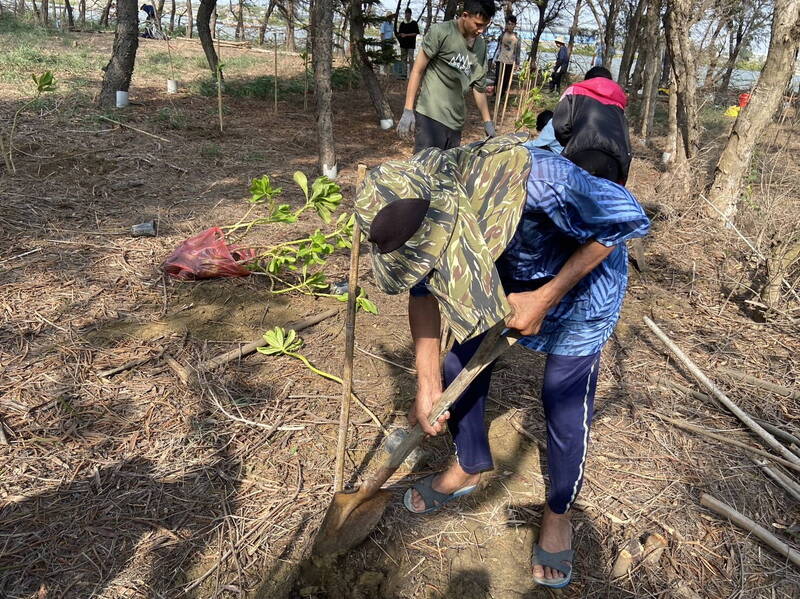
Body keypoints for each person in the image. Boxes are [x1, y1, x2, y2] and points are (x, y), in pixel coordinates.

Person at [355, 134, 650, 589]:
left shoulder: (544, 181)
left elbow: (623, 219)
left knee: (563, 401)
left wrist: (545, 297)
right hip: (500, 281)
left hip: (582, 287)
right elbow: (423, 294)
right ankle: (470, 463)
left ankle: (558, 514)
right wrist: (427, 384)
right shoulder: (417, 194)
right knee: (456, 369)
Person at [396, 0, 497, 152]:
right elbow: (417, 70)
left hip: (456, 123)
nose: (481, 30)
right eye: (478, 24)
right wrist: (408, 110)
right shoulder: (441, 32)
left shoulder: (480, 46)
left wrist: (487, 122)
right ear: (465, 15)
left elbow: (479, 87)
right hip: (430, 116)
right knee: (424, 172)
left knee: (445, 173)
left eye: (485, 25)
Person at [553, 66, 632, 185]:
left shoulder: (573, 91)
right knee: (601, 202)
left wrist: (570, 142)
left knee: (573, 200)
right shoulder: (619, 103)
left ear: (587, 79)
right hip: (613, 163)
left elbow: (560, 126)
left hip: (581, 156)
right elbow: (626, 143)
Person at [490, 15, 521, 98]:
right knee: (497, 79)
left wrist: (517, 64)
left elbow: (518, 52)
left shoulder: (517, 38)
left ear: (515, 25)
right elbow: (498, 48)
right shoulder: (502, 35)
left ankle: (501, 96)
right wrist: (494, 60)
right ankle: (495, 96)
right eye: (509, 24)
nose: (510, 26)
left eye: (512, 24)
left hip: (510, 62)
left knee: (506, 81)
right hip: (500, 60)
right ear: (506, 25)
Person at [397, 8, 420, 79]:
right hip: (403, 45)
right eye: (405, 14)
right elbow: (399, 33)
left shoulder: (414, 23)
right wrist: (401, 35)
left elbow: (415, 33)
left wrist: (406, 35)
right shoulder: (402, 23)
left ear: (410, 14)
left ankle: (412, 75)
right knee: (403, 59)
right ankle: (403, 75)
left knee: (411, 60)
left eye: (408, 14)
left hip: (411, 45)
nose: (406, 15)